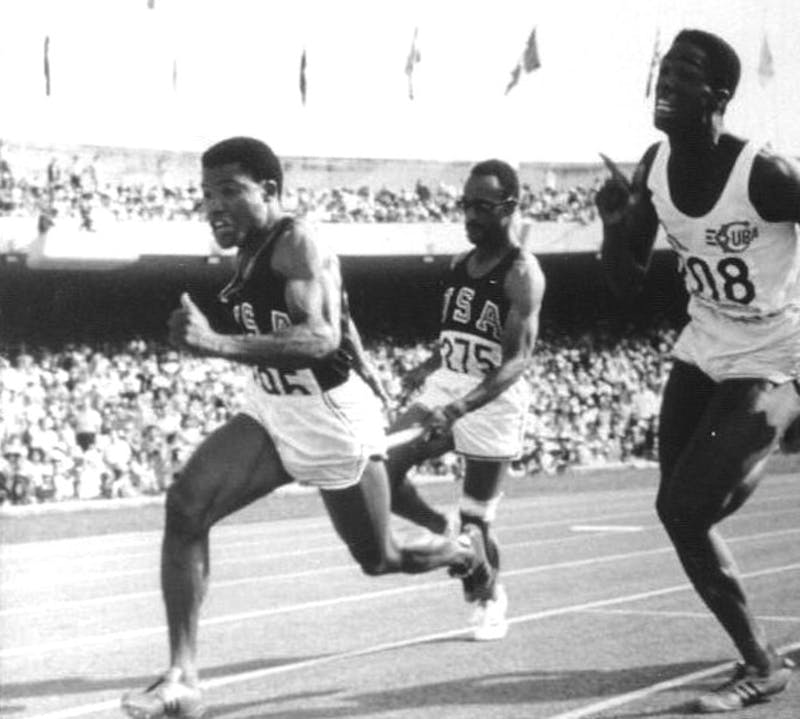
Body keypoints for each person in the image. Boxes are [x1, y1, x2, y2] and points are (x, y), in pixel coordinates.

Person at [120, 136, 495, 719]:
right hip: (272, 407)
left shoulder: (296, 239)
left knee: (380, 557)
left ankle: (463, 553)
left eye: (228, 191)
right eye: (205, 193)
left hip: (330, 418)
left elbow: (317, 336)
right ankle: (182, 679)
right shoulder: (249, 247)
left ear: (268, 190)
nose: (212, 205)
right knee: (186, 507)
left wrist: (216, 343)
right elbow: (336, 325)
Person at [596, 29, 800, 713]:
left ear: (718, 95)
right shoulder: (653, 165)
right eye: (663, 69)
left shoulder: (764, 174)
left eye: (683, 73)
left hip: (773, 350)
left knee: (688, 506)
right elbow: (625, 284)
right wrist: (611, 224)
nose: (665, 81)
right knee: (676, 510)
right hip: (704, 345)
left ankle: (763, 664)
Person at [385, 159, 545, 641]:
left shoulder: (522, 273)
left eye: (482, 206)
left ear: (510, 207)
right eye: (465, 204)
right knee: (377, 463)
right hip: (448, 383)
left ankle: (488, 596)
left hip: (493, 401)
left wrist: (459, 408)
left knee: (479, 517)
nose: (470, 215)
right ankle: (444, 525)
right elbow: (459, 333)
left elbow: (516, 361)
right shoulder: (459, 265)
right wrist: (427, 367)